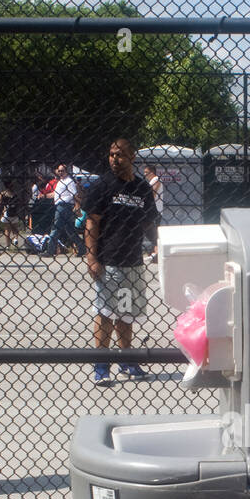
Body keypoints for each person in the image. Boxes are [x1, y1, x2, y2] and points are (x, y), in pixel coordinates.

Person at [83, 138, 159, 384]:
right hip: (109, 263)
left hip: (133, 263)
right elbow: (92, 221)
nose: (114, 159)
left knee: (126, 314)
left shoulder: (141, 188)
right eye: (111, 154)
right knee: (105, 313)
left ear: (132, 157)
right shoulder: (102, 186)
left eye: (120, 155)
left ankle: (126, 360)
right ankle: (101, 365)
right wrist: (92, 257)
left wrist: (160, 243)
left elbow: (149, 223)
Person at [43, 162, 79, 256]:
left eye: (62, 171)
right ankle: (82, 249)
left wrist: (77, 207)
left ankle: (50, 251)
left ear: (66, 171)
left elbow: (74, 195)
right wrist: (44, 195)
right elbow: (55, 194)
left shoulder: (69, 181)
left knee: (55, 228)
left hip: (64, 206)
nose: (60, 172)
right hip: (61, 206)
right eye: (59, 171)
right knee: (70, 230)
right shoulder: (60, 181)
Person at [142, 162, 165, 262]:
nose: (145, 174)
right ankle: (154, 253)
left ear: (152, 172)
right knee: (150, 232)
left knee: (153, 233)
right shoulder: (151, 182)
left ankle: (156, 254)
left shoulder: (156, 180)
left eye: (146, 172)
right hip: (151, 211)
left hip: (155, 211)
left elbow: (152, 194)